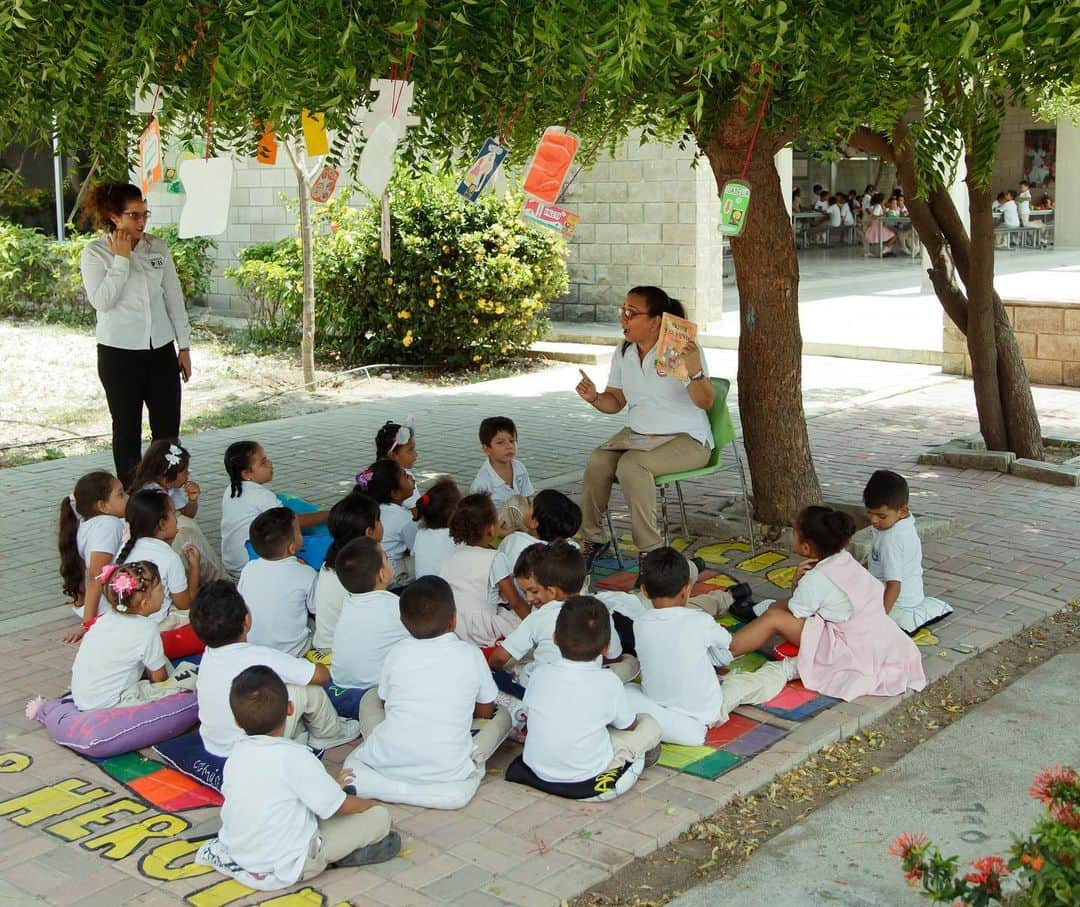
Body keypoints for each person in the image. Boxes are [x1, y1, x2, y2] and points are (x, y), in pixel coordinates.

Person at [195, 666, 398, 891]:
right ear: (290, 709)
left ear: (237, 721)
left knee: (313, 806)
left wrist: (331, 788)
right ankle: (332, 858)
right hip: (290, 862)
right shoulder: (295, 756)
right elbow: (340, 806)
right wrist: (370, 805)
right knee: (380, 817)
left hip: (240, 851)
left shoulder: (236, 754)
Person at [576, 287, 715, 570]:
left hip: (687, 438)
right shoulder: (624, 350)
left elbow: (705, 402)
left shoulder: (678, 348)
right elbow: (614, 401)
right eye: (622, 311)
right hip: (639, 435)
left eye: (631, 313)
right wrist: (594, 398)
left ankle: (650, 552)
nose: (623, 318)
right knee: (598, 461)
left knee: (632, 465)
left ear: (655, 321)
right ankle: (592, 538)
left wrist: (695, 370)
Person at [343, 576, 512, 809]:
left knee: (370, 697)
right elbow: (485, 708)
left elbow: (383, 700)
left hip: (390, 757)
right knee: (502, 715)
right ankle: (438, 788)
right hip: (447, 767)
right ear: (454, 620)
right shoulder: (470, 654)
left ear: (402, 621)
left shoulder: (397, 652)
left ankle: (380, 782)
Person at [727, 506, 927, 701]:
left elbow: (794, 611)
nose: (792, 535)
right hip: (873, 641)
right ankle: (753, 617)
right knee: (775, 609)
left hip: (849, 648)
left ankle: (727, 651)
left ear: (806, 547)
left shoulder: (816, 578)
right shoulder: (844, 559)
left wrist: (795, 584)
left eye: (794, 532)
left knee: (773, 617)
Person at [79, 182, 192, 485]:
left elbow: (173, 298)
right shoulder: (95, 254)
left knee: (168, 429)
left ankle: (171, 492)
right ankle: (134, 497)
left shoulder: (158, 247)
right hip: (119, 354)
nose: (142, 222)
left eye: (145, 213)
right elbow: (102, 301)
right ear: (113, 217)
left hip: (161, 350)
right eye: (133, 215)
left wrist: (184, 347)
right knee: (127, 429)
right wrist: (121, 259)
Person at [621, 548, 787, 745]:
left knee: (629, 689)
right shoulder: (700, 620)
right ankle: (786, 669)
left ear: (644, 591)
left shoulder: (640, 623)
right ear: (687, 590)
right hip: (707, 711)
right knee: (745, 685)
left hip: (658, 703)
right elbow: (730, 644)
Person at [504, 595, 662, 801]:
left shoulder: (539, 674)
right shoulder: (609, 681)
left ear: (554, 638)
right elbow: (628, 726)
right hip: (585, 776)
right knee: (649, 725)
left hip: (536, 767)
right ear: (606, 647)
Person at [189, 580, 359, 759]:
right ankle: (329, 734)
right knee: (307, 688)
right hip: (254, 748)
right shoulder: (261, 656)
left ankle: (299, 732)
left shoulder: (208, 656)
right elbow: (320, 676)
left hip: (215, 745)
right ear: (246, 620)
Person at [487, 541, 638, 686]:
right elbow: (613, 658)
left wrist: (494, 673)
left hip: (542, 688)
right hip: (587, 685)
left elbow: (498, 658)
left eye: (533, 591)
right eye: (524, 591)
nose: (528, 598)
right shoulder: (600, 611)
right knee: (629, 662)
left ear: (552, 591)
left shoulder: (539, 616)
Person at [70, 562, 197, 711]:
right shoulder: (146, 629)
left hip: (82, 697)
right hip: (109, 703)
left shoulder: (105, 618)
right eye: (160, 587)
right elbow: (159, 678)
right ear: (144, 603)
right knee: (189, 681)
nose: (164, 589)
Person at [220, 441, 329, 578]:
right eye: (263, 462)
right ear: (247, 474)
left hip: (231, 561)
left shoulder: (230, 490)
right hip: (248, 561)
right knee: (320, 546)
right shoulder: (260, 495)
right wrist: (327, 515)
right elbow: (293, 522)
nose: (270, 464)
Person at [863, 470, 953, 635]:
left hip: (897, 602)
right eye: (869, 513)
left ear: (902, 511)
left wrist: (878, 620)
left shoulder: (891, 540)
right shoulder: (903, 523)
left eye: (881, 516)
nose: (873, 520)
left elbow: (894, 585)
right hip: (913, 595)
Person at [439, 493, 529, 645]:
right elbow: (515, 602)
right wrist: (535, 623)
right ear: (491, 529)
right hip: (482, 629)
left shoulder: (452, 557)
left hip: (454, 626)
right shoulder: (495, 558)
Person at [131, 440, 227, 583]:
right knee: (189, 533)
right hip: (160, 542)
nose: (188, 474)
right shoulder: (151, 495)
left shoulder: (172, 488)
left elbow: (188, 514)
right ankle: (221, 580)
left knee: (188, 526)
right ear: (167, 477)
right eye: (185, 471)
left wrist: (192, 500)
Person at [330, 538, 409, 692]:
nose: (389, 561)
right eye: (386, 558)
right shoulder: (394, 607)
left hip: (341, 687)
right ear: (382, 575)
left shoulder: (349, 602)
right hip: (374, 691)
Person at [115, 489, 200, 629]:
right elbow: (185, 605)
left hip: (127, 625)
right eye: (173, 513)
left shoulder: (125, 548)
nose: (177, 518)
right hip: (158, 629)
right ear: (162, 524)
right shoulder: (170, 558)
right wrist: (195, 567)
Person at [238, 508, 317, 657]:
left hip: (253, 648)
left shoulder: (248, 569)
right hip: (293, 652)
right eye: (300, 532)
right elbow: (317, 609)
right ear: (292, 547)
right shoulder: (306, 573)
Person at [312, 491, 383, 651]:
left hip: (323, 643)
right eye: (378, 520)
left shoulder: (331, 561)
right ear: (369, 532)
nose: (381, 524)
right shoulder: (363, 573)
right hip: (341, 651)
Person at [58, 471, 128, 622]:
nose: (128, 498)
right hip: (110, 606)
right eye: (121, 494)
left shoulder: (89, 522)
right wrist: (88, 623)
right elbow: (96, 575)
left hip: (105, 603)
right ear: (102, 506)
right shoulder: (108, 525)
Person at [493, 489, 582, 607]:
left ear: (534, 523)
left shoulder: (514, 541)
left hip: (518, 608)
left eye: (530, 505)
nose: (527, 507)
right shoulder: (571, 548)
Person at [356, 459, 417, 586]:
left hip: (368, 571)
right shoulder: (403, 518)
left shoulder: (372, 507)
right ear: (395, 493)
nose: (411, 477)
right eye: (406, 476)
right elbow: (417, 547)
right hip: (391, 578)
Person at [470, 416, 535, 518]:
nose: (509, 446)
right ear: (486, 449)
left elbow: (528, 498)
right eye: (500, 443)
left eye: (512, 440)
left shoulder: (519, 467)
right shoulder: (482, 482)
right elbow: (479, 517)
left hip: (523, 521)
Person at [412, 477, 462, 578]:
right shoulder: (458, 537)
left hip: (422, 588)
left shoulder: (420, 534)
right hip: (447, 591)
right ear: (454, 512)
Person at [369, 420, 420, 509]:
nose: (416, 454)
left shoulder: (372, 475)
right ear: (392, 455)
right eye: (410, 450)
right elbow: (417, 513)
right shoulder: (405, 479)